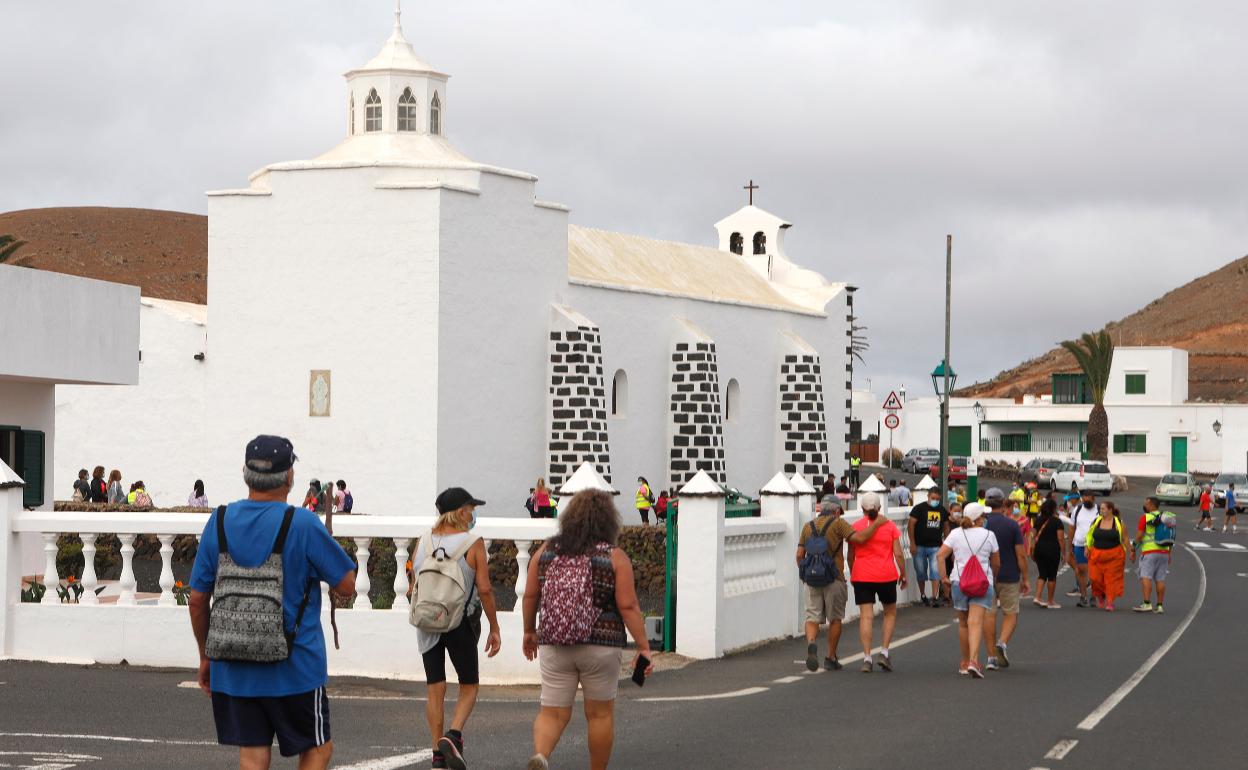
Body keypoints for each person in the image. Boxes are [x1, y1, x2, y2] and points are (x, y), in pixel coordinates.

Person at [188, 435, 356, 770]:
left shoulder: (218, 521)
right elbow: (347, 586)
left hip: (234, 665)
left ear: (246, 474)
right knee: (317, 748)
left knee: (252, 755)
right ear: (290, 476)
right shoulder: (303, 524)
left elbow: (196, 600)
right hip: (295, 668)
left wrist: (206, 655)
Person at [523, 490, 652, 770]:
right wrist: (643, 646)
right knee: (599, 715)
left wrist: (529, 632)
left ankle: (541, 755)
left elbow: (531, 595)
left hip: (555, 642)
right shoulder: (614, 557)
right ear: (608, 521)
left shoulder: (546, 551)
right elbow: (628, 605)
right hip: (601, 645)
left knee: (552, 713)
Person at [412, 487, 501, 770]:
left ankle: (438, 753)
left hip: (427, 620)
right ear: (461, 511)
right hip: (459, 621)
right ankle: (454, 734)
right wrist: (494, 627)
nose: (473, 514)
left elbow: (413, 577)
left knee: (435, 688)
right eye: (471, 509)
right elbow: (485, 589)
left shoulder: (424, 540)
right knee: (469, 685)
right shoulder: (473, 542)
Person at [937, 503, 1001, 678]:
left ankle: (965, 662)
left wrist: (944, 578)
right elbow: (996, 562)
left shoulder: (955, 534)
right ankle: (974, 661)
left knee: (963, 623)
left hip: (959, 581)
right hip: (982, 582)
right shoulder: (989, 535)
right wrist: (992, 578)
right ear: (979, 518)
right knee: (976, 622)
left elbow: (940, 555)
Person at [848, 492, 907, 672]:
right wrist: (903, 573)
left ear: (862, 509)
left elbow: (850, 555)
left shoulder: (855, 527)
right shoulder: (889, 527)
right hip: (886, 575)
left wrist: (853, 573)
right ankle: (884, 652)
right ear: (879, 508)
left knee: (866, 616)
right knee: (890, 613)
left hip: (862, 575)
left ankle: (867, 658)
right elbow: (898, 553)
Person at [982, 488, 1028, 669]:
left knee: (989, 614)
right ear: (1003, 504)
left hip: (986, 576)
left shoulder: (982, 524)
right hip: (1009, 575)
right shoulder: (1012, 525)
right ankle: (1001, 643)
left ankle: (991, 658)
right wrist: (1025, 578)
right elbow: (1021, 554)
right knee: (1011, 613)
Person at [1086, 501, 1132, 612]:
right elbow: (1089, 535)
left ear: (1110, 509)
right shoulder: (1096, 521)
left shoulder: (1118, 523)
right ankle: (1101, 595)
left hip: (1114, 556)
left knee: (1111, 580)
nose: (1100, 511)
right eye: (1100, 509)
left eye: (1103, 509)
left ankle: (1110, 602)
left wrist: (1131, 551)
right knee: (1094, 578)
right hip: (1096, 554)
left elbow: (1125, 538)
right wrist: (1087, 547)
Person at [908, 487, 949, 608]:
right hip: (919, 546)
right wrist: (912, 543)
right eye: (933, 498)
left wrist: (946, 543)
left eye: (937, 499)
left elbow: (946, 527)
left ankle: (934, 596)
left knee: (935, 572)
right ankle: (923, 595)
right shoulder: (919, 509)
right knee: (920, 571)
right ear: (928, 496)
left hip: (936, 546)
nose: (935, 500)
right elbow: (911, 525)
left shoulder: (942, 510)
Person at [1133, 497, 1174, 615]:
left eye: (1146, 503)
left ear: (1150, 505)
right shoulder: (1167, 517)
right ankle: (1160, 606)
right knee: (1160, 579)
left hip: (1150, 552)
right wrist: (1169, 553)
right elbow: (1171, 537)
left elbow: (1140, 535)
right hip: (1164, 552)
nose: (1144, 505)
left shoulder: (1145, 517)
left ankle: (1147, 603)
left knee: (1145, 576)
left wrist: (1133, 547)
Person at [1030, 499, 1067, 609]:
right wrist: (1064, 553)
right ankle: (1050, 601)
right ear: (1053, 509)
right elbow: (1060, 538)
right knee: (1052, 576)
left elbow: (1032, 535)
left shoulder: (1038, 520)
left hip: (1039, 549)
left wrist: (1032, 548)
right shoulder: (1057, 522)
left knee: (1042, 574)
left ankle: (1037, 596)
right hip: (1052, 550)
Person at [1065, 490, 1099, 607]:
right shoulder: (1077, 510)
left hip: (1095, 546)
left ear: (1093, 498)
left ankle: (1094, 596)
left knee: (1094, 572)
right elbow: (1071, 528)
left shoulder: (1099, 510)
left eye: (1088, 498)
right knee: (1080, 571)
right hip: (1078, 544)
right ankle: (1083, 596)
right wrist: (1070, 547)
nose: (1086, 500)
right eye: (1084, 498)